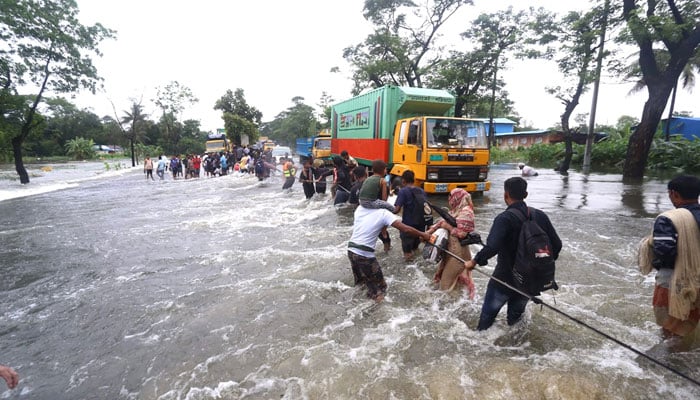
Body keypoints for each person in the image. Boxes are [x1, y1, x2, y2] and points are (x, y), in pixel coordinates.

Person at [464, 177, 561, 331]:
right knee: (515, 323)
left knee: (486, 321)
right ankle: (516, 350)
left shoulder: (504, 218)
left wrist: (474, 261)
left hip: (504, 279)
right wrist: (536, 266)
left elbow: (492, 247)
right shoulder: (540, 216)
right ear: (526, 194)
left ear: (505, 195)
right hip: (528, 283)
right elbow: (557, 245)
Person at [639, 175, 700, 342]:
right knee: (691, 323)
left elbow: (665, 253)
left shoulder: (668, 219)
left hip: (674, 281)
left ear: (674, 194)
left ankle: (668, 361)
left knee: (670, 329)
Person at [347, 202, 433, 303]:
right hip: (364, 255)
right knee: (381, 288)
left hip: (351, 251)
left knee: (361, 285)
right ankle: (380, 314)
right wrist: (423, 234)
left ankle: (354, 305)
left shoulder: (360, 209)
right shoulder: (384, 213)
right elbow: (405, 229)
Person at [426, 188, 477, 296]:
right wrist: (430, 231)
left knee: (445, 286)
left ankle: (449, 309)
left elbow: (462, 234)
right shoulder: (455, 210)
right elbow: (442, 221)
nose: (449, 200)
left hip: (459, 253)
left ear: (456, 198)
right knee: (449, 283)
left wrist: (448, 227)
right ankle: (459, 302)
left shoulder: (467, 212)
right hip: (450, 250)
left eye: (450, 197)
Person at [393, 170, 428, 261]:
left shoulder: (403, 191)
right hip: (420, 228)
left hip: (408, 228)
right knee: (415, 251)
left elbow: (396, 210)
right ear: (414, 179)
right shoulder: (421, 191)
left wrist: (384, 207)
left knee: (407, 255)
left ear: (403, 181)